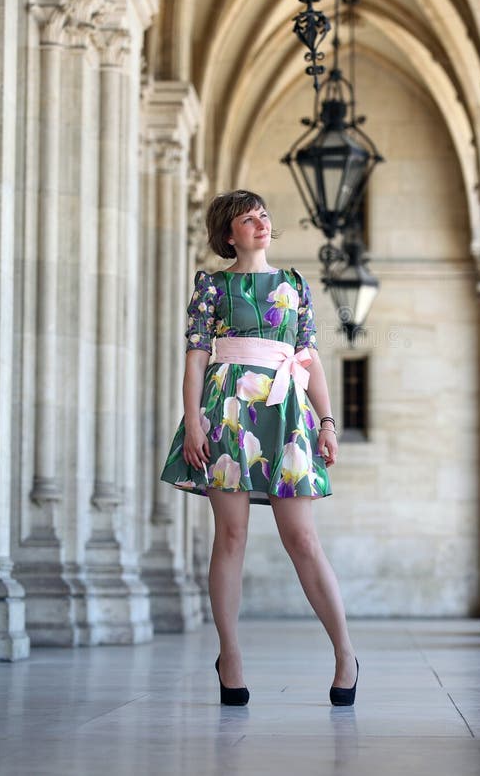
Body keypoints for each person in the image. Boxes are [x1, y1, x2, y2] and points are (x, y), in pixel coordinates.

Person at [160, 189, 358, 707]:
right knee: (230, 535)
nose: (261, 223)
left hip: (286, 413)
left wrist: (327, 422)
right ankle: (231, 656)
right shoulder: (212, 286)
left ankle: (344, 653)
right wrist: (194, 421)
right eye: (249, 219)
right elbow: (196, 360)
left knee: (303, 539)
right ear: (230, 234)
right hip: (227, 412)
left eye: (264, 215)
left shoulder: (293, 284)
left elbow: (308, 357)